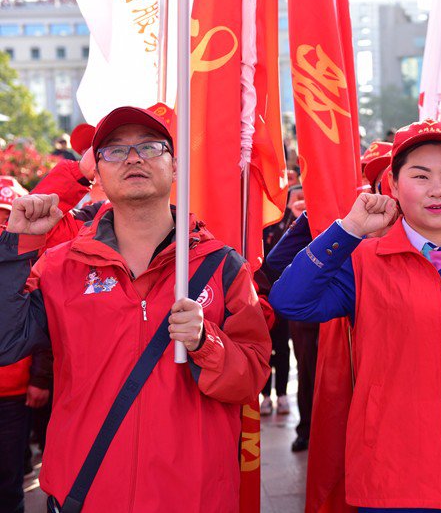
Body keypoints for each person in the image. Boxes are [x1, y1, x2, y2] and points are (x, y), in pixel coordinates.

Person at [0, 103, 271, 512]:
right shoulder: (60, 266)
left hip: (193, 498)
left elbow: (250, 379)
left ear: (175, 166)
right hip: (87, 495)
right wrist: (16, 247)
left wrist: (205, 342)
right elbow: (5, 342)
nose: (132, 158)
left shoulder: (221, 266)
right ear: (97, 172)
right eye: (114, 150)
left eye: (149, 146)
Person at [269, 119, 441, 512]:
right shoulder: (364, 262)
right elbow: (289, 300)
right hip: (392, 482)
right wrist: (348, 229)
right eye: (420, 176)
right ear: (394, 186)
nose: (437, 189)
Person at [0, 176, 52, 513]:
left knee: (9, 480)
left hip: (14, 394)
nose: (3, 223)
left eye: (6, 214)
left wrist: (39, 379)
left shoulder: (31, 258)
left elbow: (44, 325)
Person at [257, 185, 306, 417]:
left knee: (283, 347)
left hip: (284, 292)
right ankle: (266, 394)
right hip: (260, 294)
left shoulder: (291, 219)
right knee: (264, 347)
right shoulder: (263, 221)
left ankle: (283, 394)